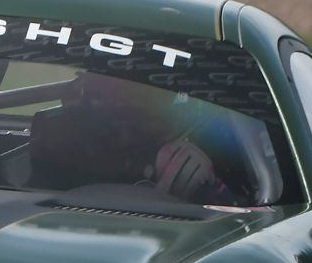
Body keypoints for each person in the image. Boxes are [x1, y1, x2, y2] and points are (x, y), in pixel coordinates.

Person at [27, 70, 242, 204]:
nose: (124, 127)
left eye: (133, 112)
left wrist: (214, 187)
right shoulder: (58, 143)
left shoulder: (218, 143)